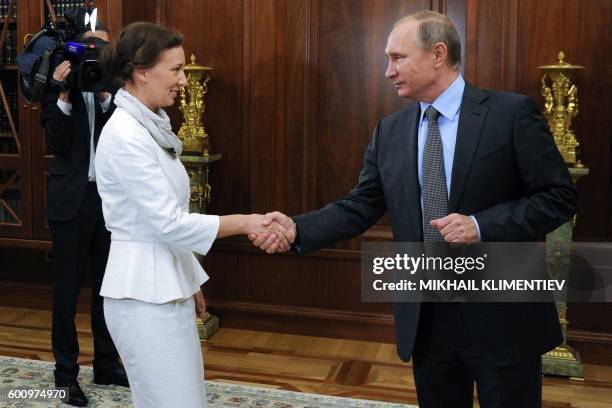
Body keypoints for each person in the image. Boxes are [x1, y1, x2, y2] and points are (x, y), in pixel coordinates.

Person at [251, 10, 579, 408]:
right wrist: (296, 229)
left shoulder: (510, 115)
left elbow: (559, 197)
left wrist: (480, 225)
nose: (388, 70)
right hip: (427, 316)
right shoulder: (390, 131)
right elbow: (360, 206)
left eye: (397, 58)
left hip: (504, 312)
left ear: (438, 53)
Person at [95, 22, 289, 408]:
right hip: (141, 296)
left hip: (165, 288)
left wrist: (189, 281)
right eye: (176, 69)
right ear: (142, 70)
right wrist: (246, 222)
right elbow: (168, 223)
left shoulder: (149, 125)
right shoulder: (125, 136)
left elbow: (166, 219)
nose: (184, 80)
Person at [42, 21, 128, 407]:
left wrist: (109, 95)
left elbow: (126, 145)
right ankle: (65, 377)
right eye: (89, 47)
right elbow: (55, 143)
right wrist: (63, 93)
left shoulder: (119, 95)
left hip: (109, 205)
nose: (94, 53)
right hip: (69, 205)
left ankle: (107, 365)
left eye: (102, 49)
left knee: (107, 292)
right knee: (66, 293)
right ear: (77, 50)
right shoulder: (58, 89)